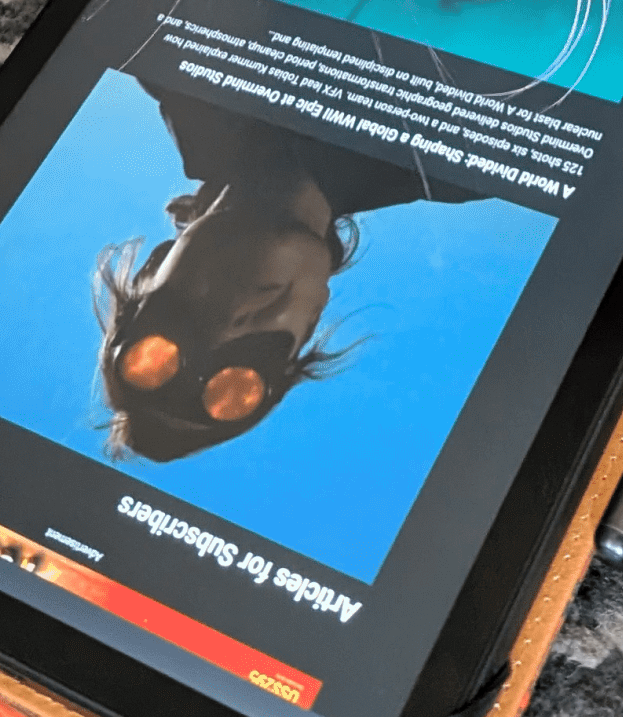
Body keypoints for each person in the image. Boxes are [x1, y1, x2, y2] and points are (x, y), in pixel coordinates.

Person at [94, 90, 471, 460]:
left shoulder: (175, 65)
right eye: (244, 371)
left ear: (154, 266)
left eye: (178, 325)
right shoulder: (462, 162)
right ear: (311, 320)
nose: (230, 323)